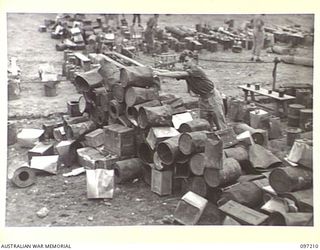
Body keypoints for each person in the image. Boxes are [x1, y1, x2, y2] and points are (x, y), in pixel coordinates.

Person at [154, 54, 227, 130]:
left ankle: (227, 139)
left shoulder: (196, 69)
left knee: (220, 123)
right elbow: (171, 72)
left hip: (213, 98)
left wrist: (159, 73)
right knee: (205, 124)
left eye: (186, 61)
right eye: (182, 62)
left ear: (193, 60)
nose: (184, 64)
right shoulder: (188, 72)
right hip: (202, 99)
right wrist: (156, 70)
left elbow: (178, 73)